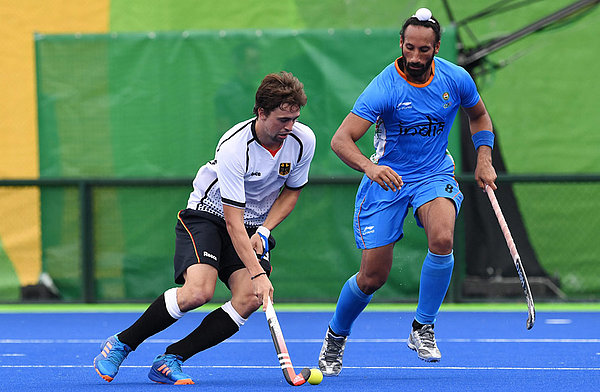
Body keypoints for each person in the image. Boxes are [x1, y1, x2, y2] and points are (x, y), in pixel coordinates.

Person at [94, 71, 316, 385]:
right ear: (261, 112)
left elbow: (292, 191)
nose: (289, 126)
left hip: (252, 224)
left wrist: (265, 230)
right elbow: (232, 222)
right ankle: (122, 343)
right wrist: (258, 273)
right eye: (282, 119)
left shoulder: (303, 139)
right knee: (198, 292)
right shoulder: (234, 149)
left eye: (294, 118)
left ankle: (171, 359)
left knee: (251, 297)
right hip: (208, 216)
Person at [317, 8, 497, 376]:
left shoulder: (456, 78)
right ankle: (336, 335)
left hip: (433, 174)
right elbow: (341, 140)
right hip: (387, 180)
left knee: (443, 238)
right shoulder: (385, 87)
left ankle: (423, 327)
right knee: (372, 278)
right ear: (401, 44)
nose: (415, 57)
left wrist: (484, 158)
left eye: (424, 50)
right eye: (409, 48)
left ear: (436, 48)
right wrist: (370, 167)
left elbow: (478, 116)